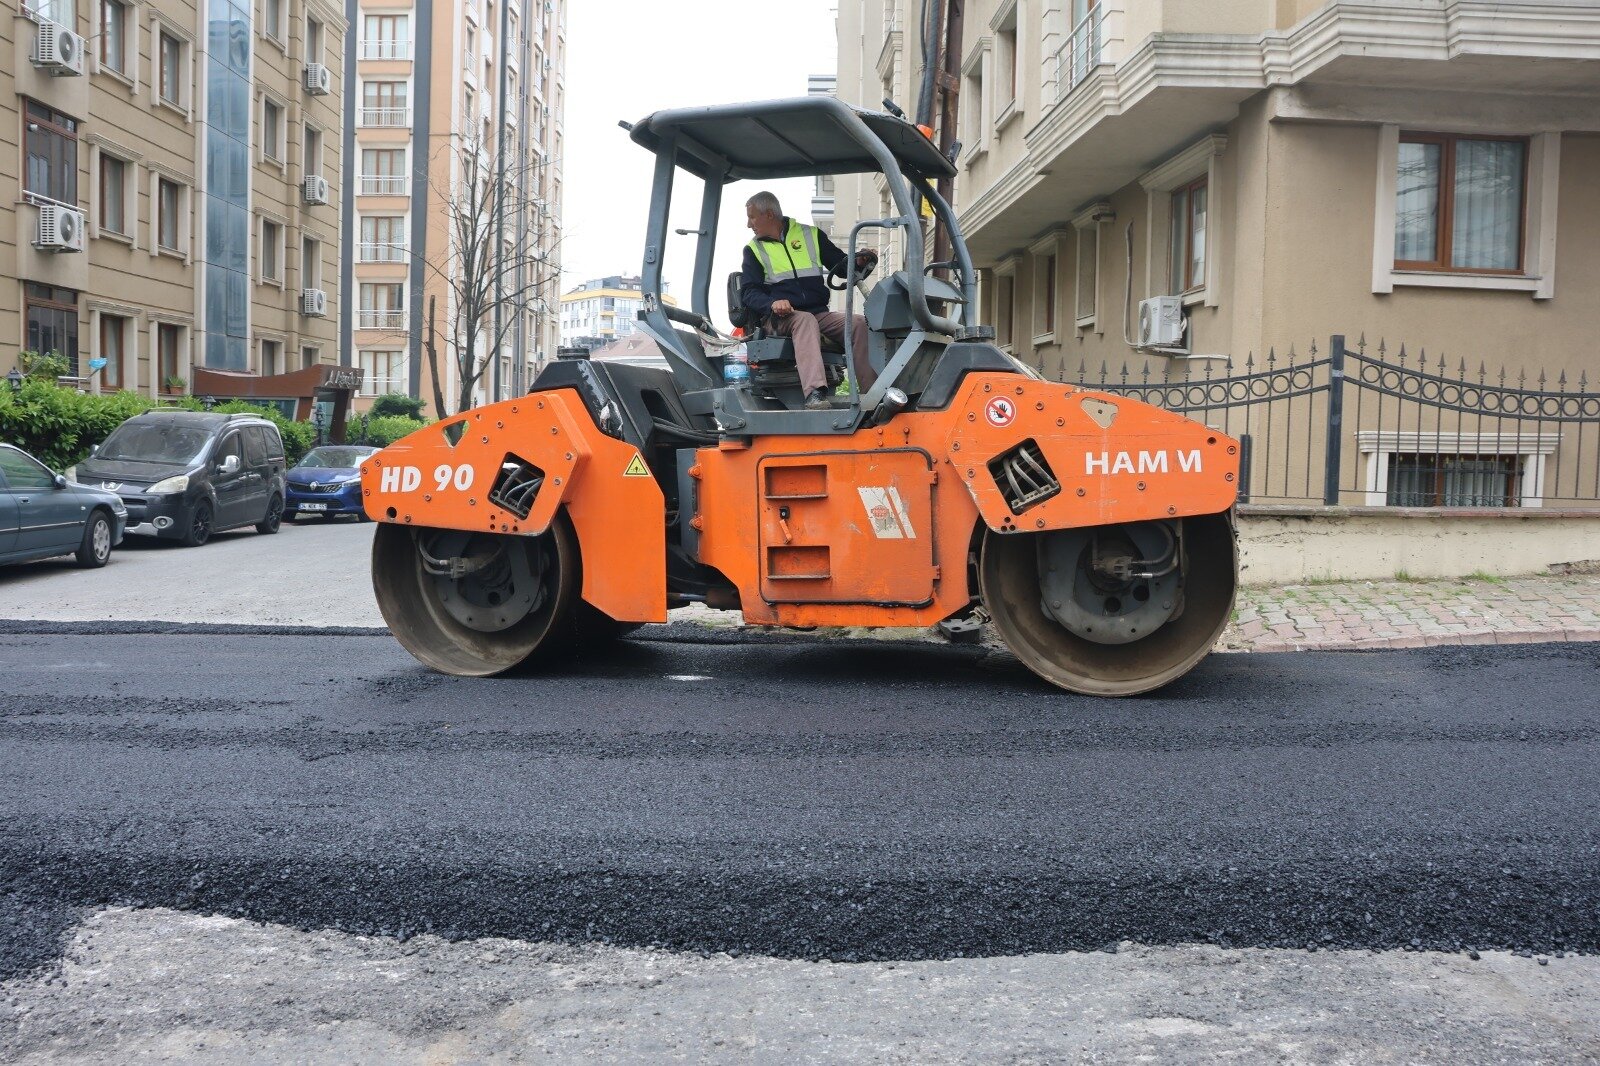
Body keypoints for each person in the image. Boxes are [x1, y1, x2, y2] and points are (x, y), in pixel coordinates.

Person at [740, 191, 879, 410]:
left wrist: (859, 261)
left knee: (859, 324)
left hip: (818, 313)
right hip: (779, 318)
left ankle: (873, 397)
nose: (749, 224)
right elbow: (748, 292)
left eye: (752, 217)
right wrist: (772, 304)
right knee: (804, 320)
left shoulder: (810, 235)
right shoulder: (754, 250)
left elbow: (841, 266)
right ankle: (815, 394)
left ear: (769, 214)